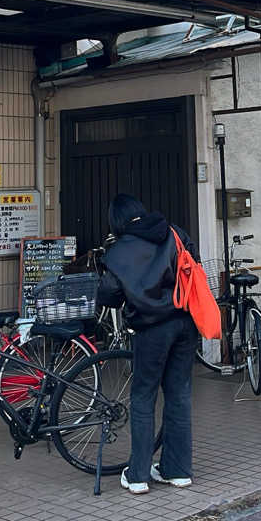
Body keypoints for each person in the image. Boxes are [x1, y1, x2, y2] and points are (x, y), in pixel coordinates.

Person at [97, 193, 200, 495]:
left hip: (151, 328)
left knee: (143, 397)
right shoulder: (174, 232)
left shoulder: (118, 252)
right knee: (178, 394)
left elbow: (109, 295)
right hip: (185, 322)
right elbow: (193, 265)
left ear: (116, 221)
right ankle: (177, 471)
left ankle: (139, 475)